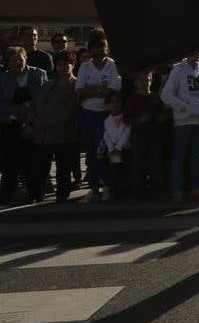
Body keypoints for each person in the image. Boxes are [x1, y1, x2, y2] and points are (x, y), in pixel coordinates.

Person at [74, 31, 122, 202]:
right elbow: (79, 91)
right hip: (88, 114)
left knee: (106, 151)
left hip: (107, 115)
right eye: (95, 53)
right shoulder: (85, 67)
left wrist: (92, 90)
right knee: (91, 152)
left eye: (102, 52)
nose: (99, 57)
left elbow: (115, 89)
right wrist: (101, 90)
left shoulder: (113, 65)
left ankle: (108, 186)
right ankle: (94, 188)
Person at [160, 52, 199, 201]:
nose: (196, 55)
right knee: (179, 156)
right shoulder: (178, 70)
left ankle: (195, 188)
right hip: (183, 121)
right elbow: (166, 94)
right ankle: (177, 189)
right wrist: (183, 107)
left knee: (196, 156)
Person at [0, 46, 47, 203]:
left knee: (33, 160)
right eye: (14, 60)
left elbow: (45, 97)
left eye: (20, 59)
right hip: (11, 122)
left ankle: (35, 193)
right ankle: (7, 193)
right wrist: (17, 111)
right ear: (8, 62)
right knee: (10, 160)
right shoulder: (3, 78)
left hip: (34, 122)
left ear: (26, 58)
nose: (17, 62)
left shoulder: (39, 74)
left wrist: (31, 112)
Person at [31, 53, 80, 201]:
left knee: (63, 167)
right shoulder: (48, 84)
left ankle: (62, 194)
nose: (62, 68)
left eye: (66, 64)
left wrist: (48, 123)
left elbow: (70, 110)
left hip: (63, 133)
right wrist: (35, 119)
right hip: (42, 133)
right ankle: (37, 194)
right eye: (59, 64)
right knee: (41, 166)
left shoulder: (76, 85)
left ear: (72, 65)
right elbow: (37, 103)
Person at [124, 70, 166, 197]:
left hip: (154, 135)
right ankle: (138, 191)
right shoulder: (132, 98)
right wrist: (138, 120)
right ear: (136, 82)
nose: (144, 82)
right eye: (141, 80)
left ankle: (156, 190)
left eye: (147, 79)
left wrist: (160, 118)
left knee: (155, 164)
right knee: (138, 164)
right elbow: (126, 118)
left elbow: (161, 112)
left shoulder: (155, 97)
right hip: (138, 135)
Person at [101, 90, 131, 200]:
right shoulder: (107, 120)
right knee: (114, 172)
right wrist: (111, 149)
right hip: (113, 152)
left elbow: (127, 132)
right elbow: (106, 135)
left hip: (124, 149)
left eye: (118, 102)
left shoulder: (126, 118)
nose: (115, 105)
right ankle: (114, 193)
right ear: (108, 105)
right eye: (112, 102)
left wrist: (119, 147)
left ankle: (126, 193)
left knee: (125, 171)